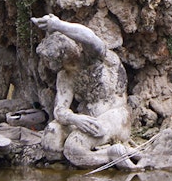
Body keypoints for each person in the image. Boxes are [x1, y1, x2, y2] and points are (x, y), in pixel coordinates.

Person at [32, 14, 137, 169]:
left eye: (54, 62)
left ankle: (112, 155)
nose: (50, 66)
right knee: (51, 137)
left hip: (115, 117)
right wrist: (75, 119)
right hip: (86, 119)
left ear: (67, 55)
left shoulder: (96, 57)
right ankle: (101, 155)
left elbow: (88, 36)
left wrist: (58, 25)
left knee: (73, 147)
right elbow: (60, 110)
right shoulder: (65, 75)